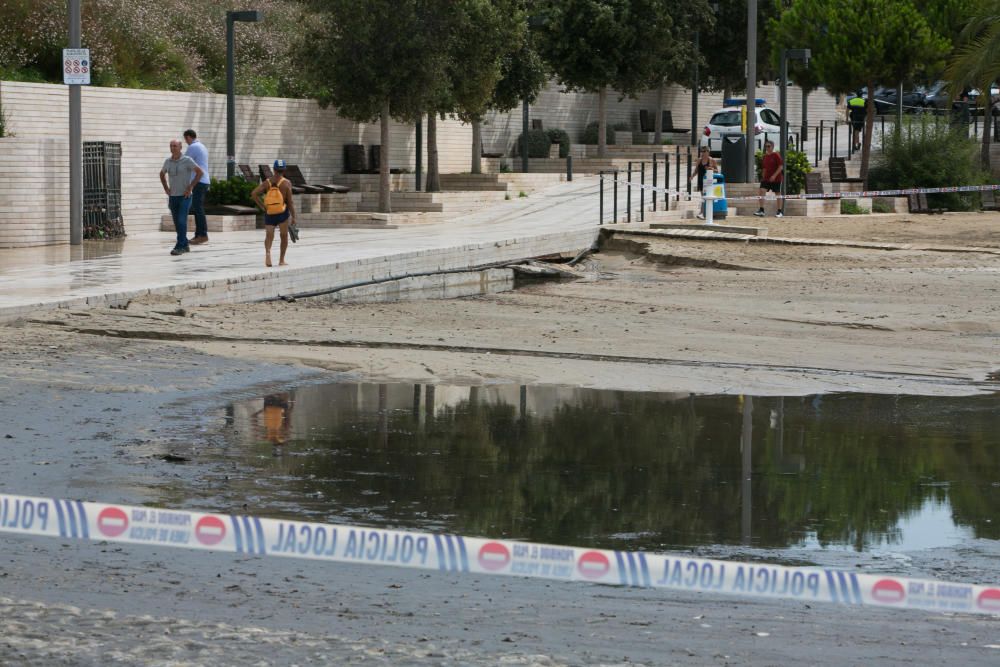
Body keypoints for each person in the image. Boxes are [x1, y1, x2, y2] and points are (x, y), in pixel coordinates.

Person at [159, 139, 204, 256]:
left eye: (175, 146)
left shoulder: (187, 160)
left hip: (185, 196)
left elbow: (200, 172)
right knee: (177, 222)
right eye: (171, 146)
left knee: (181, 221)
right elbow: (162, 174)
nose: (173, 148)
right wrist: (166, 188)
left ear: (180, 147)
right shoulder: (168, 161)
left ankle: (180, 246)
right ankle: (185, 245)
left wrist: (190, 187)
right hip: (173, 197)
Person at [251, 159, 296, 267]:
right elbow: (290, 202)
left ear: (274, 169)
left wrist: (262, 206)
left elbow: (254, 194)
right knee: (284, 236)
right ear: (284, 170)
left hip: (270, 212)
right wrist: (294, 216)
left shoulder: (267, 182)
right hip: (282, 213)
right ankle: (281, 260)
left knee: (269, 235)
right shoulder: (287, 183)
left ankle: (267, 253)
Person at [183, 129, 211, 245]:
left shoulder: (193, 147)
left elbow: (184, 162)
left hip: (199, 181)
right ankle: (199, 234)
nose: (186, 142)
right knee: (197, 208)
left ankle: (202, 235)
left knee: (197, 209)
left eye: (186, 139)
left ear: (189, 137)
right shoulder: (202, 146)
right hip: (204, 180)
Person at [754, 140, 783, 218]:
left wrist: (774, 176)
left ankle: (779, 211)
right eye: (766, 146)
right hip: (766, 178)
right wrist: (763, 176)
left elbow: (780, 167)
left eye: (768, 146)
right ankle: (761, 210)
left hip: (776, 179)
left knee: (777, 193)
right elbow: (764, 168)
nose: (767, 148)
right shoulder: (765, 156)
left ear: (772, 147)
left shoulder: (776, 155)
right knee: (761, 191)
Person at [689, 146, 718, 220]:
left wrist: (711, 169)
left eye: (704, 151)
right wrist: (692, 176)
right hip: (701, 181)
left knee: (704, 197)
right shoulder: (699, 160)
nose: (703, 153)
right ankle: (703, 213)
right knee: (703, 197)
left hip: (708, 182)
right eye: (702, 151)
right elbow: (696, 170)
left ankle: (702, 213)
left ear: (708, 152)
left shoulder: (711, 160)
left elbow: (717, 171)